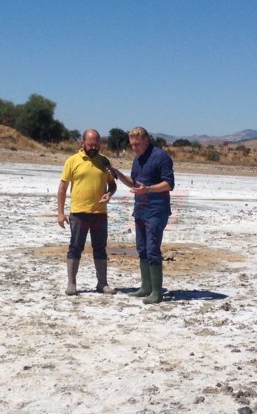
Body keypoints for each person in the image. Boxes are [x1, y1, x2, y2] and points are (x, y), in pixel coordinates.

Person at [108, 127, 175, 304]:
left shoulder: (161, 157)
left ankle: (157, 292)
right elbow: (134, 182)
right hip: (140, 210)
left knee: (153, 249)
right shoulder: (137, 159)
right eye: (131, 145)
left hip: (156, 211)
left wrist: (149, 189)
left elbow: (169, 184)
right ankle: (146, 287)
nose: (134, 148)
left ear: (146, 140)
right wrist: (118, 174)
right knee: (142, 249)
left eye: (137, 144)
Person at [57, 129, 117, 295]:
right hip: (78, 213)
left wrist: (109, 194)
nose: (93, 147)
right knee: (75, 247)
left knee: (100, 248)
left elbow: (113, 185)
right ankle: (71, 284)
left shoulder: (104, 161)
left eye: (96, 144)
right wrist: (60, 213)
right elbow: (62, 188)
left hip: (99, 214)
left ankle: (102, 284)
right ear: (82, 143)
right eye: (90, 144)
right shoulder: (72, 161)